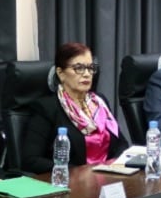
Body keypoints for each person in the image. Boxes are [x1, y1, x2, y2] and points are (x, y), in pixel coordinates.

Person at [20, 42, 129, 173]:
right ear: (61, 73)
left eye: (90, 68)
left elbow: (121, 144)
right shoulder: (47, 108)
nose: (87, 74)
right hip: (73, 182)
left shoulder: (100, 102)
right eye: (79, 68)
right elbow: (31, 160)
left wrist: (115, 166)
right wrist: (78, 172)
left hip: (110, 178)